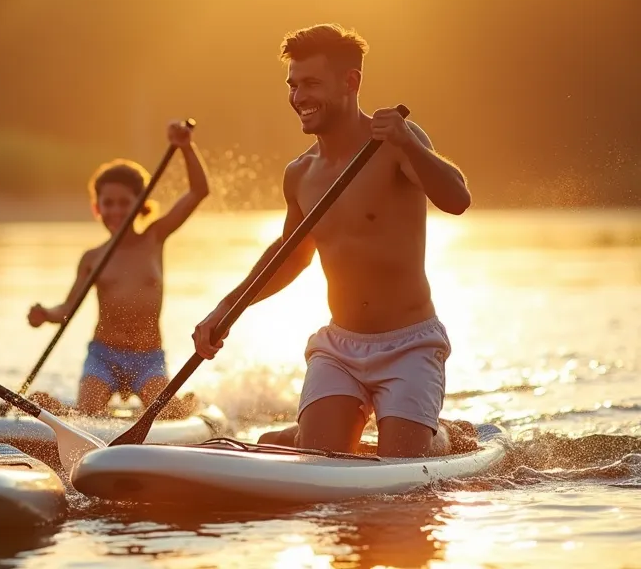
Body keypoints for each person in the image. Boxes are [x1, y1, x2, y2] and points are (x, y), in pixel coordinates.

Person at [191, 23, 478, 458]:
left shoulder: (395, 143)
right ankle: (299, 435)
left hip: (410, 343)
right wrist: (226, 309)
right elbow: (290, 255)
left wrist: (408, 142)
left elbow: (457, 199)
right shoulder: (300, 173)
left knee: (399, 467)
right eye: (293, 85)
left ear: (351, 82)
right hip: (339, 348)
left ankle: (443, 434)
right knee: (317, 457)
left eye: (311, 84)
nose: (298, 97)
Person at [26, 119, 210, 419]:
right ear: (97, 208)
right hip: (104, 356)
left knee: (163, 413)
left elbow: (199, 191)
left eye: (125, 203)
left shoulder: (154, 237)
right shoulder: (93, 258)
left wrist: (185, 147)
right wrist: (45, 314)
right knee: (88, 413)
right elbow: (67, 309)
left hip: (148, 357)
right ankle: (55, 407)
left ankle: (182, 404)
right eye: (108, 203)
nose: (116, 211)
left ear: (142, 205)